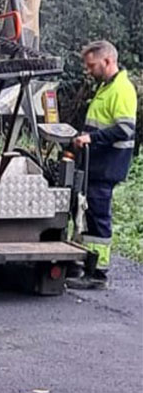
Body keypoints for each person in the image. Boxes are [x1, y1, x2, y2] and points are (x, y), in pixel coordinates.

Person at [69, 40, 137, 290]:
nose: (88, 71)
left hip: (106, 166)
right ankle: (84, 263)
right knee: (86, 215)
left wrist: (91, 138)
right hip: (94, 165)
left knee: (98, 218)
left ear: (107, 61)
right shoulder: (106, 87)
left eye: (91, 65)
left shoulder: (121, 89)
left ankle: (97, 272)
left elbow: (124, 129)